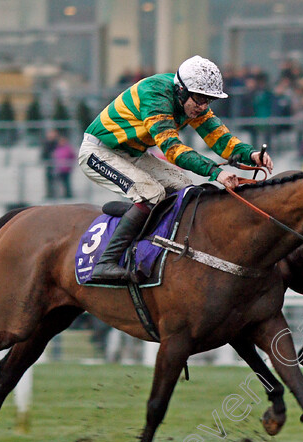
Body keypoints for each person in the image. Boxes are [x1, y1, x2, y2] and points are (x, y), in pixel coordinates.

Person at [79, 55, 273, 282]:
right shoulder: (155, 94)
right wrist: (215, 172)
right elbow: (172, 149)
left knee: (184, 187)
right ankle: (106, 262)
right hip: (100, 152)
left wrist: (251, 154)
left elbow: (218, 136)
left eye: (208, 100)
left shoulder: (192, 102)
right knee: (152, 193)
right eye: (200, 99)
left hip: (133, 153)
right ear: (181, 90)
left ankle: (136, 218)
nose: (202, 106)